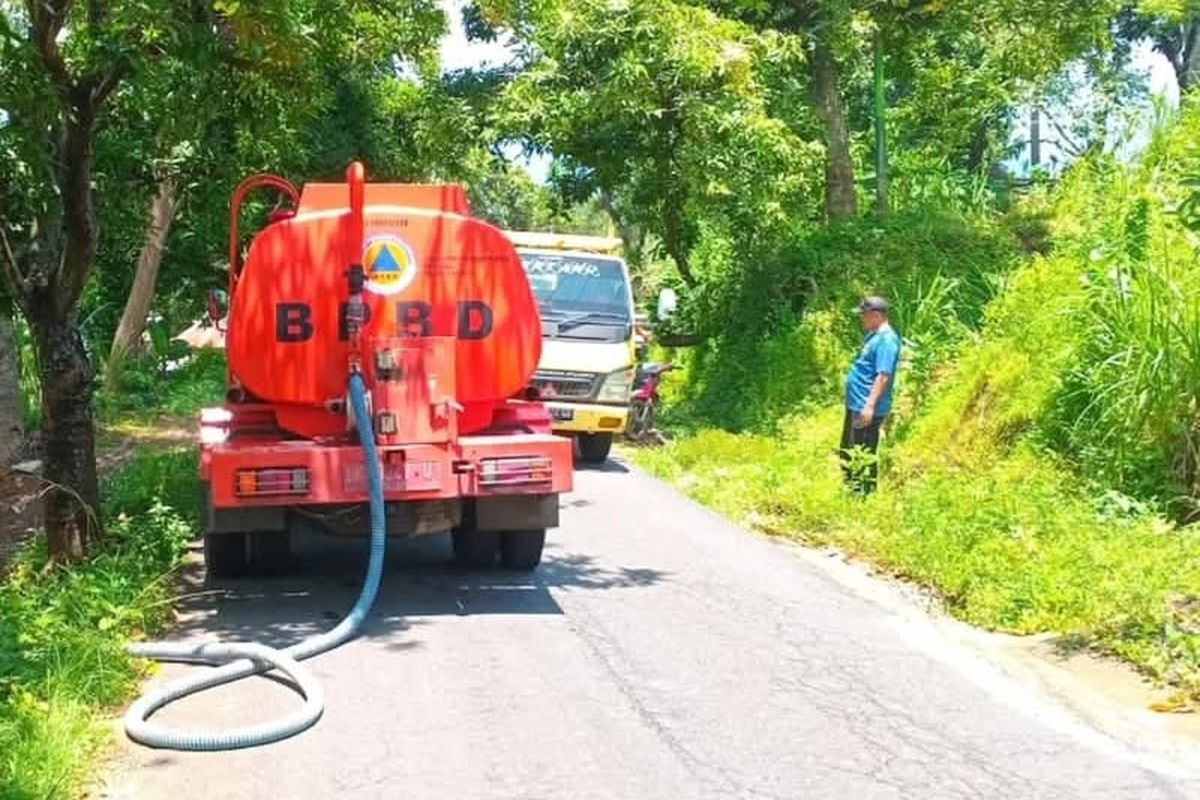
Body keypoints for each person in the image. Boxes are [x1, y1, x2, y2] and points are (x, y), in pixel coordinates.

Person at [841, 295, 901, 494]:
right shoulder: (873, 336)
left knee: (864, 451)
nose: (862, 319)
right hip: (856, 404)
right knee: (850, 449)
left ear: (876, 315)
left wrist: (870, 406)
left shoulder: (887, 340)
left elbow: (883, 375)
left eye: (864, 315)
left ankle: (863, 493)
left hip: (867, 407)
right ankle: (851, 490)